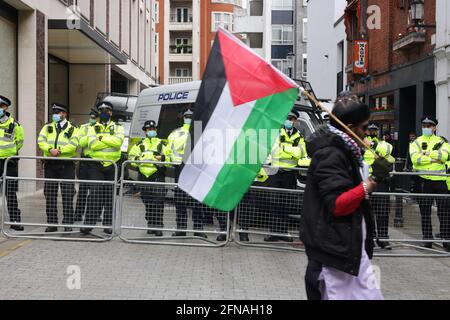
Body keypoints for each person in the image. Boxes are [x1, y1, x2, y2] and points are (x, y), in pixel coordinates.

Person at [300, 98, 391, 300]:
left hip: (348, 251)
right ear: (349, 128)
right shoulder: (330, 154)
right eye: (364, 127)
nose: (368, 132)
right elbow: (339, 204)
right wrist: (372, 181)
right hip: (334, 257)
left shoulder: (346, 150)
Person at [81, 101, 124, 235]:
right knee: (95, 194)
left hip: (112, 165)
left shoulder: (118, 127)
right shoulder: (92, 127)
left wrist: (100, 138)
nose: (105, 112)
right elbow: (92, 145)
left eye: (107, 110)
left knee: (110, 196)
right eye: (102, 110)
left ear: (111, 112)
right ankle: (88, 224)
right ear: (99, 113)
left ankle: (108, 225)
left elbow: (118, 143)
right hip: (96, 165)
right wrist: (107, 139)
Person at [409, 116, 450, 251]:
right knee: (425, 212)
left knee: (444, 213)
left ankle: (446, 240)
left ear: (435, 127)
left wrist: (426, 153)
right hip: (424, 181)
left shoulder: (442, 141)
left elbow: (443, 157)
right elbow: (415, 160)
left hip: (440, 181)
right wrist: (433, 159)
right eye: (424, 125)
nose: (426, 128)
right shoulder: (416, 142)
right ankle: (427, 240)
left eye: (429, 125)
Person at [38, 103, 79, 232]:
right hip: (50, 165)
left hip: (66, 165)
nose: (55, 114)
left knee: (67, 194)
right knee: (50, 194)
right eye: (54, 112)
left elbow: (74, 144)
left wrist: (59, 151)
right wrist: (50, 149)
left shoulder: (73, 129)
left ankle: (68, 222)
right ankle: (52, 223)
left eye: (58, 112)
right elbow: (40, 141)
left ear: (64, 114)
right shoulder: (47, 127)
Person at [264, 112, 305, 242]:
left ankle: (283, 232)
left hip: (290, 173)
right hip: (275, 172)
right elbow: (275, 151)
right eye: (288, 118)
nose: (289, 121)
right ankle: (274, 232)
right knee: (274, 202)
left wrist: (284, 148)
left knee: (285, 203)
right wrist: (291, 150)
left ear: (295, 121)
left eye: (292, 119)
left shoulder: (299, 136)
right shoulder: (276, 132)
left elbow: (301, 153)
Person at [166, 110, 207, 239]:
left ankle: (190, 229)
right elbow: (168, 151)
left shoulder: (196, 132)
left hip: (187, 168)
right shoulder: (200, 132)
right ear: (184, 118)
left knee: (191, 200)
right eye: (187, 117)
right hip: (185, 168)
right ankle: (187, 229)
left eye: (190, 117)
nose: (188, 118)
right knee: (184, 201)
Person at [129, 120, 170, 236]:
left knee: (158, 201)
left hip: (157, 175)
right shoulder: (139, 145)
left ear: (155, 130)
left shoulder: (163, 144)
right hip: (143, 177)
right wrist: (138, 159)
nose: (151, 131)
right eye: (148, 129)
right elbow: (131, 158)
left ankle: (158, 226)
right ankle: (151, 223)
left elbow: (169, 159)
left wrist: (162, 158)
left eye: (153, 129)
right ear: (145, 131)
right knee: (148, 202)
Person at [363, 128, 395, 248]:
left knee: (382, 211)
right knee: (367, 212)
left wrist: (371, 144)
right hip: (367, 180)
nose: (371, 132)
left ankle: (383, 239)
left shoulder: (382, 143)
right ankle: (370, 238)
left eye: (374, 130)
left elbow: (387, 150)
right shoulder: (359, 143)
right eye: (369, 130)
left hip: (381, 181)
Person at [0, 95, 24, 231]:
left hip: (9, 163)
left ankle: (15, 220)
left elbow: (19, 142)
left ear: (5, 108)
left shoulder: (14, 124)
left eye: (0, 106)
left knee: (10, 193)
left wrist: (10, 153)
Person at [74, 109, 98, 222]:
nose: (92, 119)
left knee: (95, 190)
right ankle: (78, 213)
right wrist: (93, 138)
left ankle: (93, 214)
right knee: (83, 189)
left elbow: (100, 144)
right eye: (91, 117)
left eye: (94, 117)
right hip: (85, 161)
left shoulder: (101, 127)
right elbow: (80, 142)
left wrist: (90, 139)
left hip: (96, 161)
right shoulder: (83, 127)